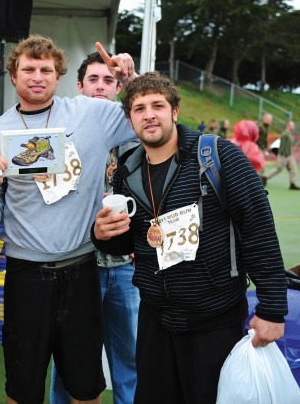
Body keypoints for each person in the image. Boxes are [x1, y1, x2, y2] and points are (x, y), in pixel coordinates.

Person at [92, 72, 287, 404]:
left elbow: (258, 228)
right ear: (130, 119)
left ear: (175, 112)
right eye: (139, 108)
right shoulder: (128, 171)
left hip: (215, 320)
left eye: (158, 105)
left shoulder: (218, 156)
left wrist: (272, 308)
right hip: (154, 319)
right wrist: (102, 236)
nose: (149, 114)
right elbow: (130, 244)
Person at [0, 35, 138, 404]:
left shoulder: (92, 114)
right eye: (28, 69)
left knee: (85, 387)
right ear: (13, 75)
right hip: (25, 274)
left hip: (81, 270)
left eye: (46, 69)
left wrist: (129, 78)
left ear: (59, 76)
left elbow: (149, 116)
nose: (37, 76)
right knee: (23, 388)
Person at [49, 51, 139, 404]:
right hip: (77, 264)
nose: (101, 87)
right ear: (78, 86)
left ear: (118, 88)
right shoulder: (61, 132)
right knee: (67, 355)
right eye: (93, 80)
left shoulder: (136, 132)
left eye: (108, 81)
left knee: (128, 357)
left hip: (125, 268)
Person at [262, 120, 300, 190]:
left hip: (289, 155)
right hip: (284, 155)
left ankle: (293, 184)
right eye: (292, 125)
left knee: (293, 169)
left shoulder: (289, 134)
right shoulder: (285, 134)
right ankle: (265, 177)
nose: (293, 127)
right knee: (278, 168)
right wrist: (286, 156)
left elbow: (288, 146)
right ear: (288, 126)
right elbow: (283, 146)